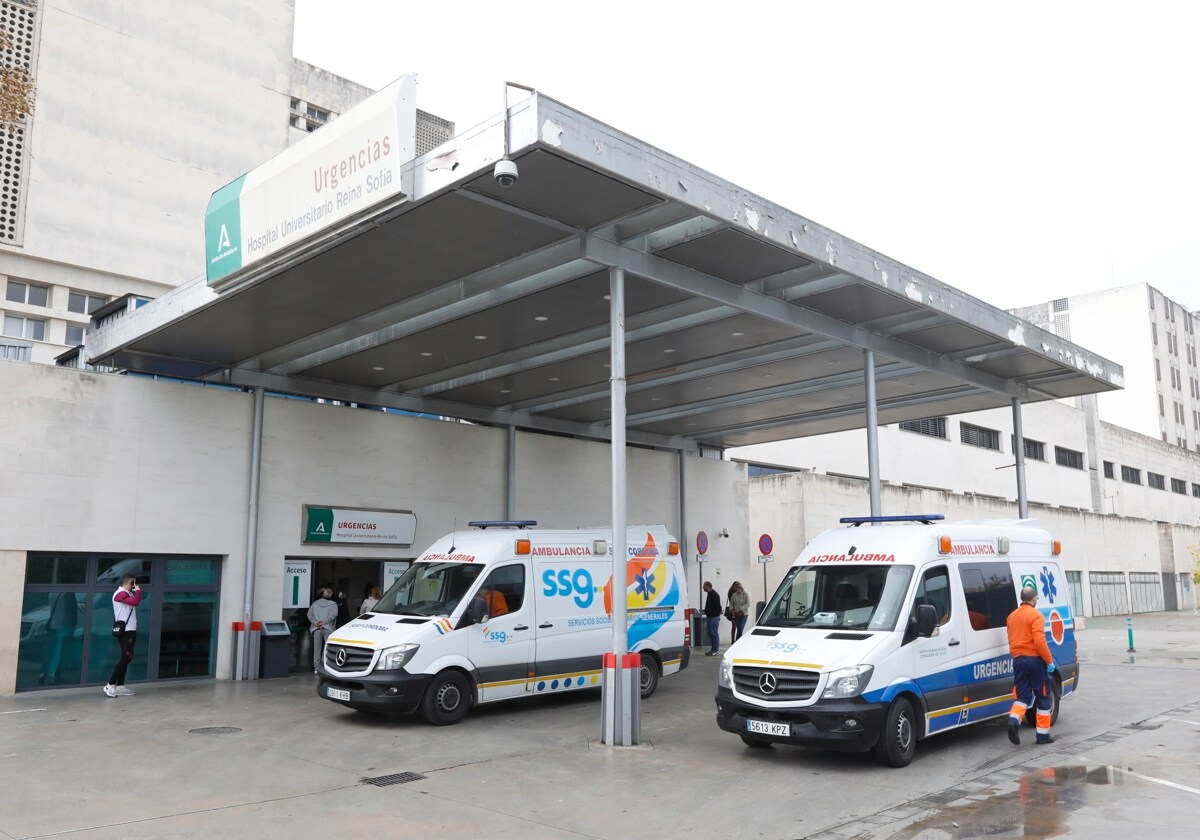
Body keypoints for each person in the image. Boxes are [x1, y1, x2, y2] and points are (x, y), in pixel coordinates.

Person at [1006, 585, 1055, 745]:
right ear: (1034, 599)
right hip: (1034, 661)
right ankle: (1043, 736)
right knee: (1042, 697)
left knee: (1022, 697)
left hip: (1018, 660)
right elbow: (1039, 642)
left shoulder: (1011, 616)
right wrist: (1049, 661)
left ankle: (1014, 721)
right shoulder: (1036, 616)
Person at [103, 575, 141, 697]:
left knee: (127, 657)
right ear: (130, 582)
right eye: (133, 583)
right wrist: (138, 591)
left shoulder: (127, 594)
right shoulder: (119, 594)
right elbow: (136, 602)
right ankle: (110, 684)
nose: (134, 586)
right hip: (126, 631)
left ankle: (120, 686)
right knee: (127, 657)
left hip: (131, 630)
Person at [41, 590, 78, 685]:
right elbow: (71, 608)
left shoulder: (52, 592)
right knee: (60, 652)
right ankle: (51, 676)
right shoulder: (68, 593)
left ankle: (46, 674)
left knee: (53, 651)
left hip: (54, 625)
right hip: (66, 625)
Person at [308, 588, 338, 674]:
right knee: (327, 648)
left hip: (317, 628)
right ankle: (324, 666)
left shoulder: (315, 603)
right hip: (328, 628)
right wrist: (324, 621)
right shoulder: (333, 604)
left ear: (322, 594)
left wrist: (315, 622)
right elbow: (334, 615)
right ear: (331, 595)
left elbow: (309, 614)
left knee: (317, 648)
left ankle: (317, 668)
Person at [702, 581, 722, 656]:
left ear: (708, 586)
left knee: (713, 633)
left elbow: (718, 606)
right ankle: (713, 649)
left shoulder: (714, 594)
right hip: (710, 617)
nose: (703, 587)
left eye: (704, 586)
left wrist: (717, 612)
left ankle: (715, 650)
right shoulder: (710, 594)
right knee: (709, 633)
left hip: (714, 617)